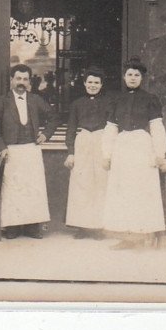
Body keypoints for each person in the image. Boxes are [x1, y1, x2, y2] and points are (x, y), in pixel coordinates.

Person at [101, 57, 166, 249]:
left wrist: (159, 153)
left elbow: (157, 127)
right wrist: (107, 154)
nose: (132, 78)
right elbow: (111, 128)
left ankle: (142, 237)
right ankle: (126, 238)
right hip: (122, 147)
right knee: (122, 191)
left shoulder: (150, 99)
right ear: (124, 77)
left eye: (136, 75)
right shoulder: (117, 99)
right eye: (129, 74)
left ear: (142, 78)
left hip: (141, 147)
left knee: (140, 190)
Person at [0, 64, 57, 239]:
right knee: (13, 189)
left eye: (25, 79)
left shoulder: (36, 99)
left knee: (32, 188)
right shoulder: (2, 101)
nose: (22, 82)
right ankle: (12, 227)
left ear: (29, 81)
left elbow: (53, 117)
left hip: (31, 150)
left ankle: (32, 227)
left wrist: (46, 134)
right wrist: (2, 149)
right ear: (11, 80)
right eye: (18, 78)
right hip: (11, 151)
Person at [63, 66, 112, 239]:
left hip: (101, 141)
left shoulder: (108, 103)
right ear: (84, 83)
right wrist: (70, 152)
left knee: (101, 183)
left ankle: (99, 226)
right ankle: (82, 226)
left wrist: (109, 152)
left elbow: (112, 128)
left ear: (101, 84)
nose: (93, 85)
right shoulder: (77, 104)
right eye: (90, 82)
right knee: (81, 184)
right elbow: (71, 129)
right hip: (82, 143)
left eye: (96, 82)